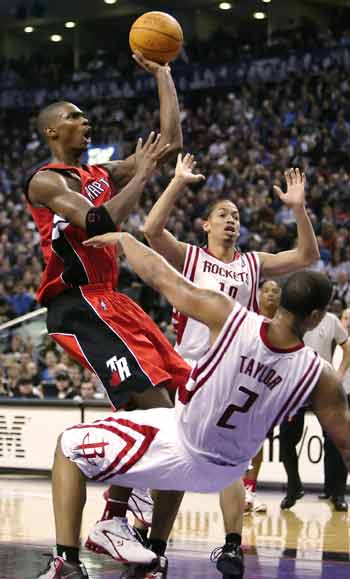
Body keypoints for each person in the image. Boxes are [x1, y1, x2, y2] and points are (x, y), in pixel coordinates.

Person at [37, 231, 350, 579]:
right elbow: (346, 445)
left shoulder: (232, 318)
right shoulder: (322, 376)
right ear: (318, 317)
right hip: (229, 472)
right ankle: (154, 554)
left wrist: (126, 239)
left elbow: (162, 276)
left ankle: (68, 560)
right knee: (165, 430)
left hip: (182, 444)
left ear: (279, 299)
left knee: (69, 446)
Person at [26, 53, 191, 570]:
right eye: (75, 116)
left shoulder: (97, 170)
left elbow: (171, 144)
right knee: (152, 408)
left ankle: (116, 512)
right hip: (77, 304)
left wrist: (164, 74)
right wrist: (139, 177)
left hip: (111, 300)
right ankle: (111, 519)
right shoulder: (47, 181)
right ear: (54, 129)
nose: (85, 121)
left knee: (168, 408)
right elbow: (100, 222)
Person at [142, 156, 319, 531]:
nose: (231, 219)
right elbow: (152, 230)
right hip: (187, 369)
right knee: (172, 459)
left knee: (231, 464)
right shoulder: (190, 257)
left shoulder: (253, 264)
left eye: (236, 215)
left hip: (229, 373)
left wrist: (299, 210)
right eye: (223, 214)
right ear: (206, 224)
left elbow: (307, 256)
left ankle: (233, 543)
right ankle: (151, 530)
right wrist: (176, 182)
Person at [279, 307, 350, 510]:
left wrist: (339, 373)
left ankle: (337, 494)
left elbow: (347, 347)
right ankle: (294, 486)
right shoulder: (293, 317)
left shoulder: (331, 320)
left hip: (323, 387)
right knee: (286, 438)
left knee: (337, 440)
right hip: (295, 387)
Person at [243, 280, 281, 512]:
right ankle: (239, 491)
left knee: (259, 442)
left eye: (274, 292)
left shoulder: (285, 324)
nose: (269, 295)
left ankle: (250, 490)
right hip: (244, 385)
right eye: (265, 290)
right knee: (239, 442)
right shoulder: (249, 319)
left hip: (269, 390)